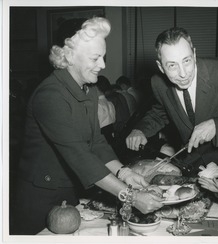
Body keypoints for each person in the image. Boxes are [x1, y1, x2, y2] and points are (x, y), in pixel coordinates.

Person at [10, 17, 163, 235]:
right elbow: (80, 156)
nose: (103, 65)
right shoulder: (50, 96)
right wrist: (132, 197)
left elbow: (97, 142)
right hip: (40, 200)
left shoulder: (88, 91)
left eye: (103, 57)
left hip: (70, 192)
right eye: (95, 58)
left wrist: (124, 172)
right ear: (69, 56)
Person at [126, 27, 218, 195]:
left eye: (187, 61)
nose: (183, 73)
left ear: (194, 54)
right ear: (161, 67)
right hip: (195, 171)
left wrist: (217, 126)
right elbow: (161, 111)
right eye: (172, 65)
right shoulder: (157, 82)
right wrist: (141, 129)